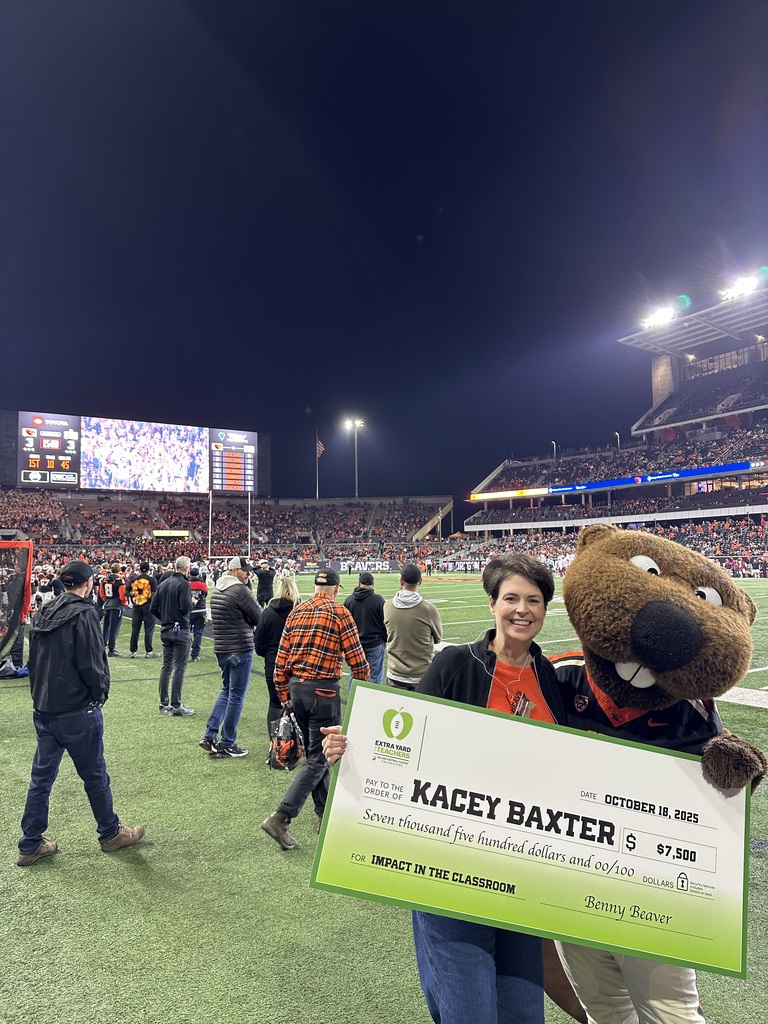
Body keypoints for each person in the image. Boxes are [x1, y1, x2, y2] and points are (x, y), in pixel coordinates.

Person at [322, 554, 585, 1024]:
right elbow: (406, 740)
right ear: (492, 604)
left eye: (534, 600)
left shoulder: (553, 679)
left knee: (524, 1014)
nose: (522, 610)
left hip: (522, 878)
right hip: (450, 872)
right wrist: (353, 749)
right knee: (469, 1013)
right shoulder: (454, 665)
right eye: (511, 598)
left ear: (546, 609)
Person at [17, 559, 145, 866]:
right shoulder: (84, 613)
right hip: (75, 709)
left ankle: (30, 842)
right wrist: (99, 694)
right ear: (88, 584)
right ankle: (111, 833)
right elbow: (92, 661)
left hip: (45, 707)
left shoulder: (45, 610)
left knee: (41, 779)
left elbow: (34, 661)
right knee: (95, 774)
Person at [261, 568, 370, 850]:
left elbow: (280, 660)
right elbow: (357, 660)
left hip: (296, 689)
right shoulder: (338, 612)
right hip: (323, 690)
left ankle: (324, 814)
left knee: (313, 754)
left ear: (314, 586)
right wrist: (364, 692)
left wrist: (285, 694)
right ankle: (282, 816)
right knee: (320, 759)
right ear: (335, 588)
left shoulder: (297, 611)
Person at [200, 556, 262, 758]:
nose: (249, 574)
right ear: (235, 571)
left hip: (222, 648)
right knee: (236, 695)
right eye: (245, 570)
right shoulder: (240, 590)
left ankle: (209, 735)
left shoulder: (218, 589)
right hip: (239, 647)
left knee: (226, 691)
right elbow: (259, 616)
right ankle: (228, 742)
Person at [254, 571, 302, 735]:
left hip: (273, 663)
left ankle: (276, 747)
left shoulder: (267, 613)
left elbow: (259, 644)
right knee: (298, 704)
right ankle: (297, 745)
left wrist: (270, 655)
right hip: (297, 664)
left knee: (275, 704)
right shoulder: (301, 613)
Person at [383, 563, 442, 689]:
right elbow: (438, 638)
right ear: (420, 581)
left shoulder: (387, 606)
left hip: (395, 673)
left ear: (401, 581)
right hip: (421, 674)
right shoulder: (429, 610)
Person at [150, 555, 194, 716]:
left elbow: (153, 608)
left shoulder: (164, 583)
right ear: (187, 568)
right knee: (179, 667)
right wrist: (192, 602)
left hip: (166, 629)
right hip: (180, 629)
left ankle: (163, 703)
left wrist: (166, 619)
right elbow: (185, 608)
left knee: (166, 666)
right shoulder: (183, 584)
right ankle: (176, 705)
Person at [343, 570, 387, 685]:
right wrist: (386, 639)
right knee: (374, 676)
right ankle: (371, 702)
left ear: (359, 583)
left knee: (355, 675)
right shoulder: (378, 600)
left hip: (355, 644)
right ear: (372, 584)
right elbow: (385, 623)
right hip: (375, 643)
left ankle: (354, 701)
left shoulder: (349, 600)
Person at [127, 560, 159, 658]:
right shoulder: (152, 580)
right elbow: (155, 594)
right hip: (148, 606)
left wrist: (135, 594)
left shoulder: (134, 579)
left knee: (135, 629)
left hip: (137, 606)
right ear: (149, 569)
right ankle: (148, 652)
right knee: (149, 629)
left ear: (139, 569)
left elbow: (126, 592)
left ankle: (133, 651)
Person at [100, 562, 127, 656]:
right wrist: (124, 603)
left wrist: (106, 600)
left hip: (107, 603)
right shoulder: (120, 581)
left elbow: (102, 593)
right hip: (116, 604)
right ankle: (111, 649)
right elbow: (122, 594)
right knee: (114, 627)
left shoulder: (104, 580)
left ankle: (102, 645)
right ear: (119, 570)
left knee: (106, 626)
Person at [188, 564, 209, 661]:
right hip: (201, 611)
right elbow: (205, 595)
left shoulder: (186, 584)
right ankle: (195, 655)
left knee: (187, 632)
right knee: (198, 633)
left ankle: (185, 651)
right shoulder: (203, 585)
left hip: (189, 611)